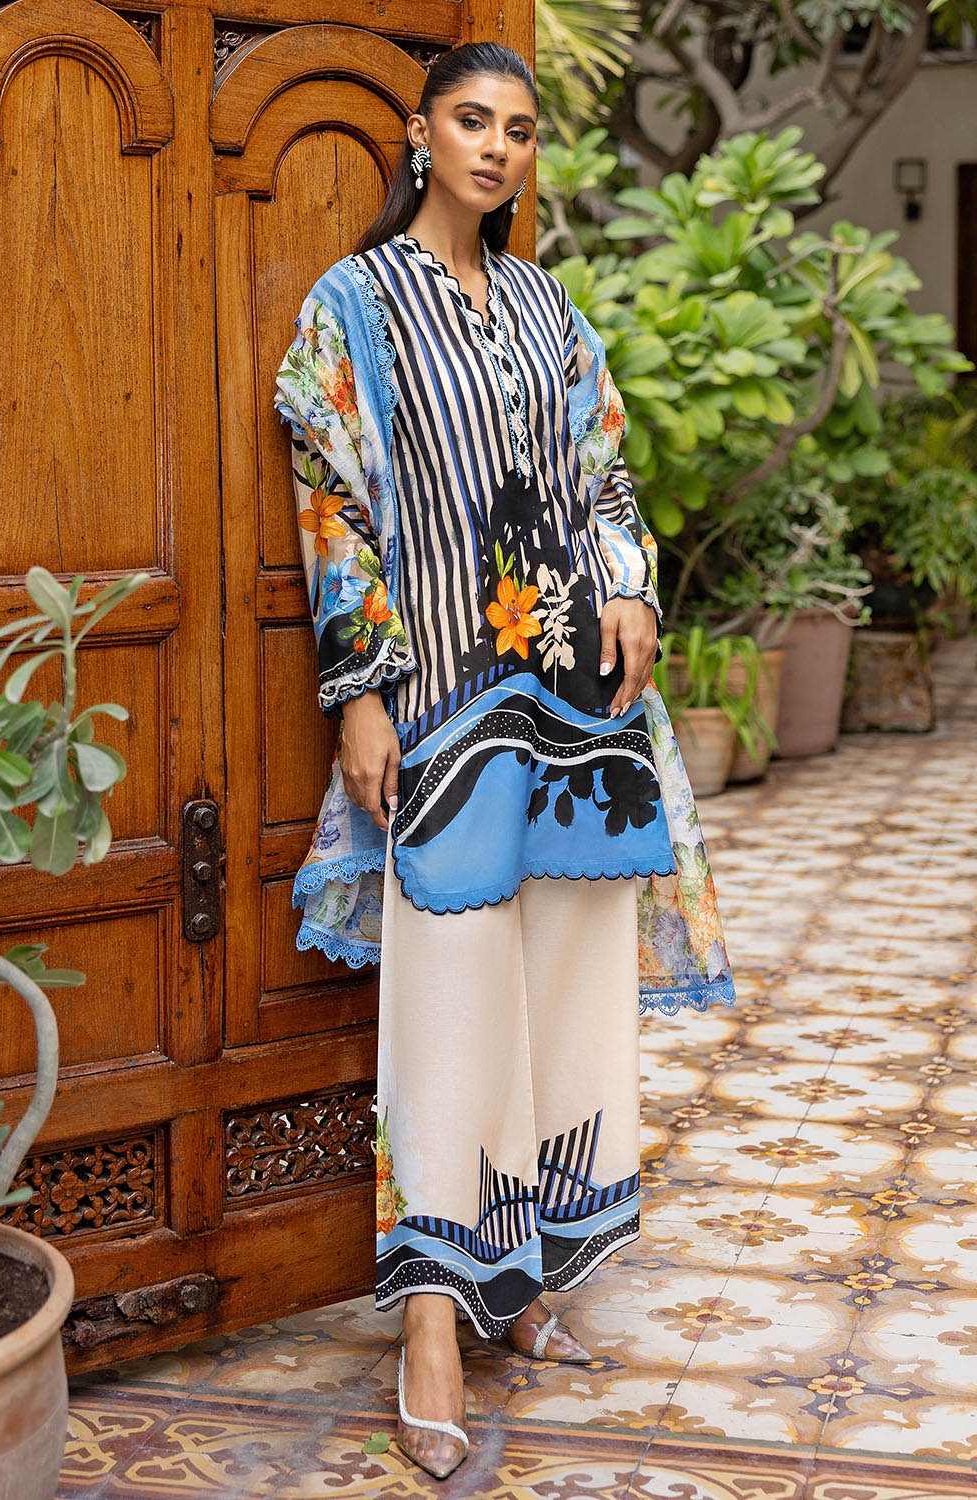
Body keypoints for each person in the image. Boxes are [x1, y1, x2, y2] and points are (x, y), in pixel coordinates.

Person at [275, 41, 736, 1481]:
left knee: (561, 989)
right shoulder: (354, 305)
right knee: (452, 993)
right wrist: (358, 692)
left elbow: (603, 469)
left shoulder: (548, 307)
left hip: (574, 704)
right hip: (438, 701)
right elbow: (333, 499)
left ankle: (523, 1280)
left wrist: (632, 586)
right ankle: (431, 1318)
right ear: (423, 134)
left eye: (519, 129)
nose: (495, 146)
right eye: (471, 121)